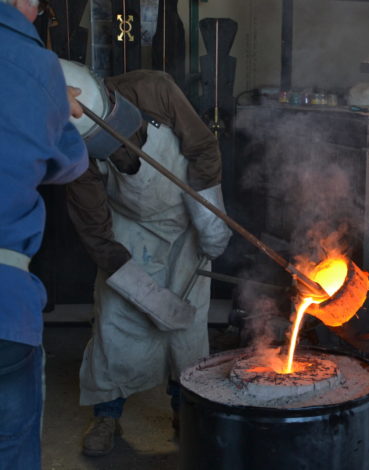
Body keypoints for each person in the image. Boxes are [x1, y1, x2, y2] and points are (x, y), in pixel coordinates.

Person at [60, 61, 232, 456]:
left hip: (188, 216)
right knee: (115, 322)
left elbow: (203, 149)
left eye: (123, 138)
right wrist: (148, 296)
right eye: (110, 152)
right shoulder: (74, 155)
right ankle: (107, 414)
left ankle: (185, 411)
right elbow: (98, 237)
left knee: (187, 330)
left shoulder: (155, 89)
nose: (121, 154)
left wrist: (210, 222)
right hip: (129, 227)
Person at [0, 0, 89, 468]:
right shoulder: (37, 66)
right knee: (9, 447)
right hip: (4, 304)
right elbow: (68, 164)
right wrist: (60, 106)